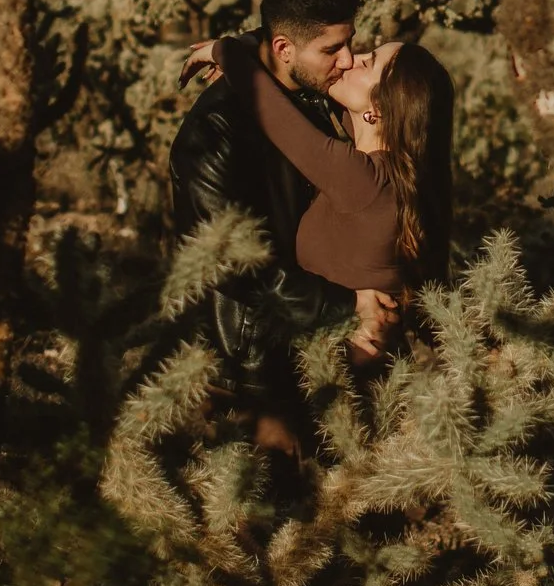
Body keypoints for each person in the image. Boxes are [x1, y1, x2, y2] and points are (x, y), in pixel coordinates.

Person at [167, 0, 371, 442]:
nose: (348, 59)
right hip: (252, 357)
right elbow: (230, 262)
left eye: (350, 42)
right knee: (270, 502)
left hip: (320, 336)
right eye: (331, 49)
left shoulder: (312, 90)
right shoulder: (216, 132)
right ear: (283, 48)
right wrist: (345, 307)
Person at [185, 29, 455, 365]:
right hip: (350, 370)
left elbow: (275, 113)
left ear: (380, 108)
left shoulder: (362, 179)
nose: (349, 60)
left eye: (367, 63)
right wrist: (261, 47)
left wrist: (227, 51)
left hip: (327, 382)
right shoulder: (396, 178)